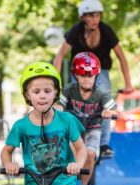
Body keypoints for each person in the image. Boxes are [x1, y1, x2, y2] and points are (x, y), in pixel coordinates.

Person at [53, 0, 133, 158]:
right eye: (90, 16)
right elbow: (60, 55)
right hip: (78, 71)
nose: (94, 19)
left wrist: (128, 83)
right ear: (83, 17)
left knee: (103, 95)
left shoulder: (106, 31)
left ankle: (103, 144)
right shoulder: (75, 31)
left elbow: (121, 57)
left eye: (97, 16)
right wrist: (55, 84)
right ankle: (69, 136)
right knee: (71, 98)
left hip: (100, 71)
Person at [58, 52, 117, 185]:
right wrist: (57, 109)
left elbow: (116, 110)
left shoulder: (101, 93)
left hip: (93, 127)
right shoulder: (69, 90)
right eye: (82, 75)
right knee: (71, 151)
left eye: (90, 76)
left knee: (90, 154)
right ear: (75, 76)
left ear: (96, 76)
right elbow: (59, 104)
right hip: (74, 127)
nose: (86, 79)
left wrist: (109, 112)